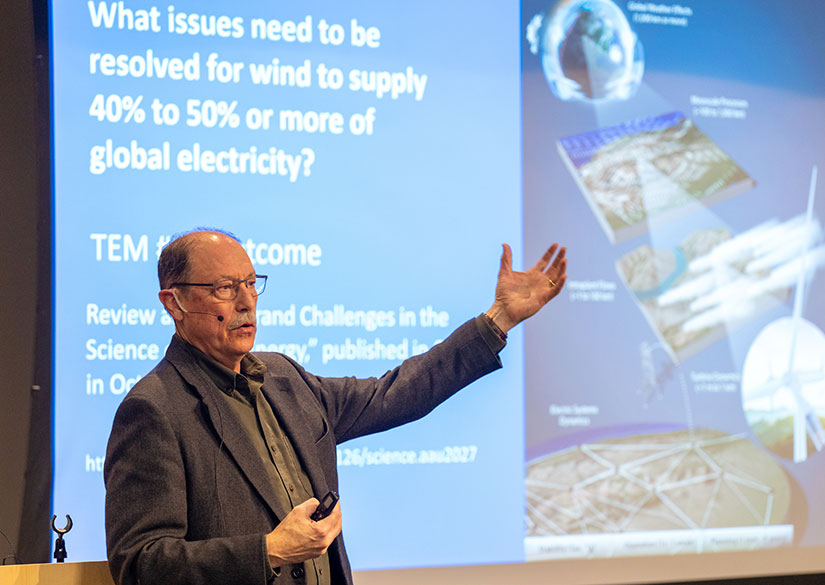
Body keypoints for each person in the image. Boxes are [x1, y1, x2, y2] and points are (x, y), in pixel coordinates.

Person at [104, 229, 567, 585]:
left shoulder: (284, 379)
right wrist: (267, 551)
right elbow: (140, 564)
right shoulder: (154, 409)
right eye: (225, 288)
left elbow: (394, 394)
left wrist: (498, 319)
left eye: (250, 283)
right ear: (174, 303)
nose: (247, 302)